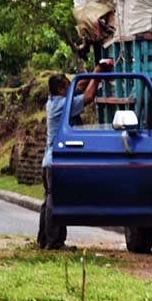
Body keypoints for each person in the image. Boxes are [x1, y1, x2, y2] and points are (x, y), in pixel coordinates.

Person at [37, 60, 112, 250]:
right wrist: (97, 75)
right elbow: (87, 97)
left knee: (49, 200)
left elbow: (78, 87)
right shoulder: (61, 105)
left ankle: (44, 240)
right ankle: (54, 243)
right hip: (55, 161)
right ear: (62, 90)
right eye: (67, 85)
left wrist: (95, 71)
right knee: (55, 201)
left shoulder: (54, 100)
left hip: (48, 161)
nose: (72, 87)